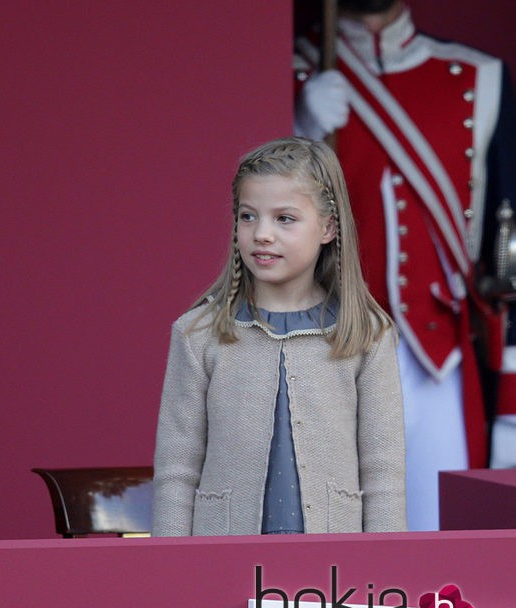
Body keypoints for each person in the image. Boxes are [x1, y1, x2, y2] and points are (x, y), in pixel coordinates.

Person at [294, 0, 516, 531]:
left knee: (441, 550)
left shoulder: (476, 77)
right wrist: (295, 123)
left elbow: (506, 248)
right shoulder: (293, 72)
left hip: (438, 352)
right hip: (322, 346)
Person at [152, 137, 406, 537]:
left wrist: (384, 570)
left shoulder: (367, 334)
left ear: (327, 227)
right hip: (221, 559)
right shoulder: (197, 333)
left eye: (284, 218)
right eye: (248, 216)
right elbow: (177, 470)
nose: (262, 234)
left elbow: (383, 474)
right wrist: (171, 567)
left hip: (335, 567)